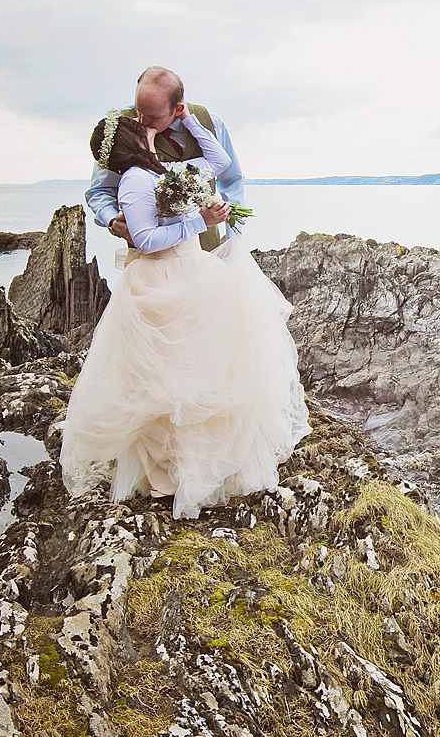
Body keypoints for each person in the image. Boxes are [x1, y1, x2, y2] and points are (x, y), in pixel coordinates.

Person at [60, 89, 309, 519]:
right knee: (167, 370)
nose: (143, 120)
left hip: (196, 261)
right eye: (139, 116)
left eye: (150, 115)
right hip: (163, 272)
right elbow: (125, 216)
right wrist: (117, 219)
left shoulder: (180, 144)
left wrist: (228, 228)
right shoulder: (130, 158)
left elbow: (223, 170)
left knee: (202, 360)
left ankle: (199, 456)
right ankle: (172, 464)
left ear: (174, 105)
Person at [86, 66, 245, 252]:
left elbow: (231, 178)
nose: (142, 121)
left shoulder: (209, 121)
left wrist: (233, 238)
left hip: (205, 246)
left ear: (178, 108)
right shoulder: (120, 131)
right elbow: (100, 190)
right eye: (138, 110)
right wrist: (112, 220)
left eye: (153, 116)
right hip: (153, 259)